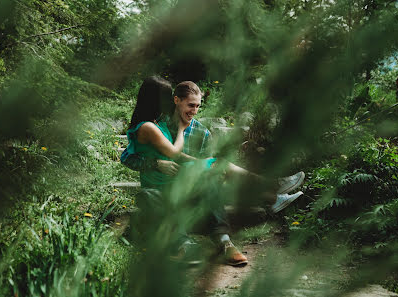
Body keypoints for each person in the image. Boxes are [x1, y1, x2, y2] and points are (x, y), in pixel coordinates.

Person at [122, 77, 304, 266]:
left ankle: (227, 238)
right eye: (190, 105)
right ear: (175, 101)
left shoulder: (202, 132)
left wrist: (205, 165)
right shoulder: (158, 124)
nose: (194, 111)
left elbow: (193, 163)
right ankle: (273, 191)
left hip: (196, 187)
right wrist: (155, 163)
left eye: (198, 106)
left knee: (214, 173)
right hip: (168, 188)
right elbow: (128, 156)